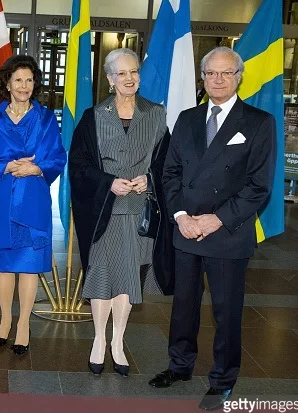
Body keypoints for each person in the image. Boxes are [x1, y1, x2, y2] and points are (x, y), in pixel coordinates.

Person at [149, 47, 276, 411]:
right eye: (211, 74)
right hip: (186, 230)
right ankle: (180, 365)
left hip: (227, 232)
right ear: (202, 78)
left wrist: (216, 219)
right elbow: (169, 173)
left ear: (239, 77)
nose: (218, 80)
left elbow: (259, 185)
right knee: (183, 306)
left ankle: (222, 380)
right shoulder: (187, 119)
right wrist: (181, 216)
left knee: (226, 311)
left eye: (226, 73)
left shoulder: (257, 122)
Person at [69, 48, 171, 376]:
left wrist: (150, 179)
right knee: (101, 273)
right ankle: (98, 339)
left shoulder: (156, 114)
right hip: (104, 209)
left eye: (134, 72)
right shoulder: (93, 116)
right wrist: (107, 182)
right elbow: (79, 164)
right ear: (111, 79)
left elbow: (168, 162)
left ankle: (117, 341)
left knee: (127, 278)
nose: (130, 78)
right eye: (122, 73)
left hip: (138, 210)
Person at [0, 55, 66, 355]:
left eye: (29, 80)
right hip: (2, 196)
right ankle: (4, 321)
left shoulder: (45, 118)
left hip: (34, 198)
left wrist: (36, 168)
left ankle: (24, 324)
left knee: (28, 267)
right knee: (4, 265)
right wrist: (7, 165)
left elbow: (56, 156)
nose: (24, 86)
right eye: (18, 80)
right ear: (7, 84)